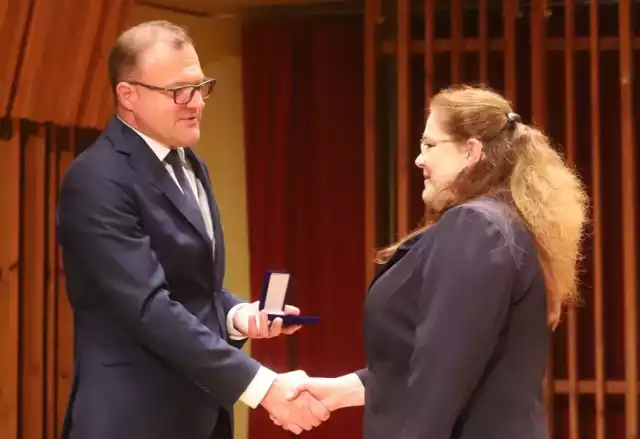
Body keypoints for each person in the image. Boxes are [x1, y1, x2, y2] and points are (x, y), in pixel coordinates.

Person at [56, 20, 328, 439]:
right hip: (132, 420)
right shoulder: (97, 178)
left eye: (202, 87)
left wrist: (239, 316)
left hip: (200, 415)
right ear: (128, 95)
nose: (197, 103)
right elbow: (148, 308)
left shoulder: (189, 163)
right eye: (178, 91)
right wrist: (263, 386)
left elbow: (194, 288)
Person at [280, 85, 588, 438]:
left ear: (470, 151)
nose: (419, 159)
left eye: (430, 145)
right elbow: (448, 362)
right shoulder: (499, 222)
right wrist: (343, 391)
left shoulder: (476, 228)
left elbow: (442, 375)